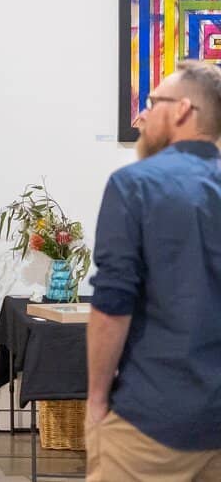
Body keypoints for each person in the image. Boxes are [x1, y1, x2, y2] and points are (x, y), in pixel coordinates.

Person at [86, 61, 221, 481]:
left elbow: (112, 307)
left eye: (152, 102)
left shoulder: (135, 185)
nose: (143, 115)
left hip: (152, 420)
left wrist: (95, 400)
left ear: (181, 110)